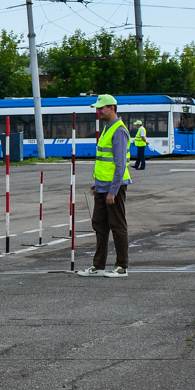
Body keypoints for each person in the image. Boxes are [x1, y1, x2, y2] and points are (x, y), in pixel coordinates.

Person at [78, 94, 130, 278]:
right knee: (99, 224)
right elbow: (104, 162)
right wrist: (98, 184)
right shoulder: (108, 129)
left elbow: (120, 164)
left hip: (113, 188)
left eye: (101, 108)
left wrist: (113, 190)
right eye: (98, 108)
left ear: (112, 108)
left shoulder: (119, 130)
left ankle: (122, 266)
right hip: (102, 187)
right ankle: (98, 265)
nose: (98, 112)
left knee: (117, 225)